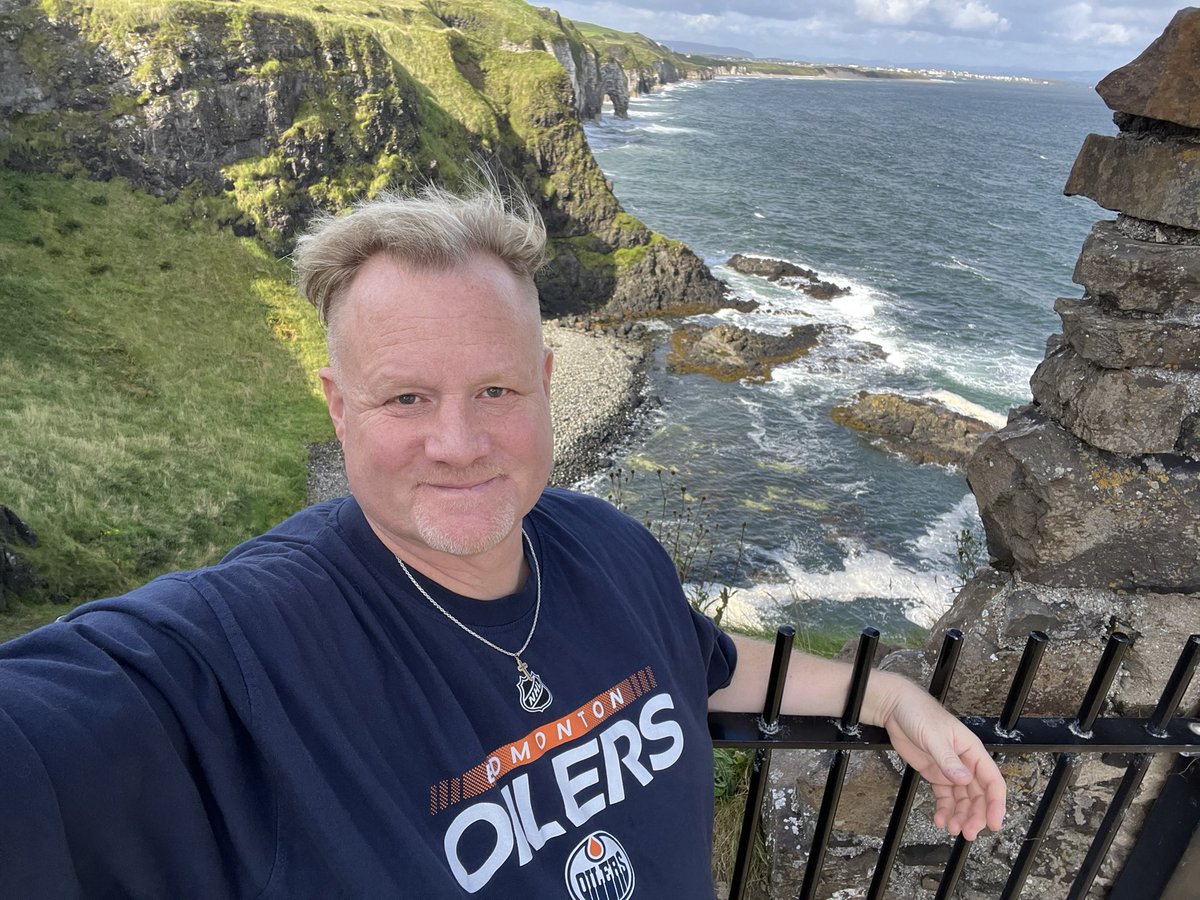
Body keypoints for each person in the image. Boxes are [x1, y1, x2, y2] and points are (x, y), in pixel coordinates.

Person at [0, 182, 1004, 898]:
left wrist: (885, 694)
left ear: (546, 382)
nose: (459, 443)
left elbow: (701, 664)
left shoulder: (602, 545)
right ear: (338, 408)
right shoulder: (246, 641)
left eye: (495, 390)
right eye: (406, 398)